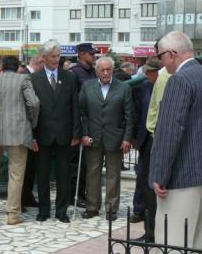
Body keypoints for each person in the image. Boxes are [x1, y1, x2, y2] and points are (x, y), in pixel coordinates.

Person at [148, 31, 202, 254]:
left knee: (173, 243)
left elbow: (169, 133)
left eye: (160, 57)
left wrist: (159, 174)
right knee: (197, 243)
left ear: (171, 54)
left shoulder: (179, 80)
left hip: (181, 177)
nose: (161, 64)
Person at [0, 56, 39, 225]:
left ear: (1, 67)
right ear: (17, 68)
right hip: (17, 131)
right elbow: (34, 103)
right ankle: (13, 214)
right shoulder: (24, 79)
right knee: (16, 173)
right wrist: (32, 122)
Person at [30, 41, 80, 223]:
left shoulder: (69, 77)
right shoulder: (34, 79)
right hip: (42, 135)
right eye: (53, 56)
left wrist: (76, 133)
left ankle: (61, 211)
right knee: (42, 175)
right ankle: (44, 210)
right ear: (44, 58)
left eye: (58, 56)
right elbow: (31, 110)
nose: (56, 60)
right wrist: (32, 136)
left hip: (64, 135)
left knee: (63, 175)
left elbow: (75, 105)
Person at [80, 56, 134, 221]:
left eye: (108, 69)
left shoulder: (123, 88)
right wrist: (84, 134)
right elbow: (82, 113)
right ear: (96, 71)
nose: (105, 73)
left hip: (115, 138)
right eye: (102, 70)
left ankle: (111, 209)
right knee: (92, 173)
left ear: (112, 70)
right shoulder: (87, 86)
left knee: (113, 174)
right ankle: (92, 207)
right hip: (93, 137)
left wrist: (127, 138)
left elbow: (130, 116)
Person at [128, 57, 160, 241]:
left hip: (158, 144)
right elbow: (139, 113)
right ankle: (148, 227)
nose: (147, 74)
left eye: (150, 71)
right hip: (145, 143)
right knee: (144, 181)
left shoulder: (167, 85)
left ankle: (153, 233)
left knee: (152, 186)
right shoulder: (146, 87)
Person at [70, 42, 98, 207]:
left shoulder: (93, 72)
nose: (93, 56)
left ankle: (84, 192)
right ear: (81, 54)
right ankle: (75, 194)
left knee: (88, 164)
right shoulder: (74, 73)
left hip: (92, 123)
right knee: (76, 163)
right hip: (79, 122)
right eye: (91, 54)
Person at [20, 53, 44, 210]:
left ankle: (27, 196)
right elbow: (31, 104)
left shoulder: (30, 75)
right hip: (26, 127)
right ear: (40, 62)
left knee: (30, 167)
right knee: (21, 167)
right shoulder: (24, 76)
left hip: (34, 128)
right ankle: (20, 199)